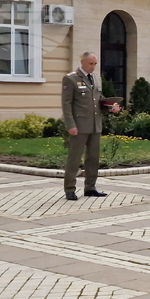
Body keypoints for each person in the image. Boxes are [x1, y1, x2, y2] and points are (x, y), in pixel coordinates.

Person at [61, 52, 119, 201]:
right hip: (79, 125)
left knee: (93, 158)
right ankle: (70, 189)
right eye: (90, 64)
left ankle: (90, 187)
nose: (93, 67)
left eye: (95, 64)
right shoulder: (71, 79)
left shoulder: (96, 78)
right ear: (82, 62)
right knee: (74, 159)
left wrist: (110, 107)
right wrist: (70, 125)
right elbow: (66, 104)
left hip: (95, 125)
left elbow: (98, 101)